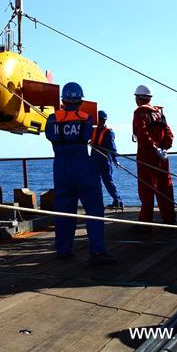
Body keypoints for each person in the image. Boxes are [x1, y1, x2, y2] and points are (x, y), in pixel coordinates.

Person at [45, 82, 115, 264]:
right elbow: (85, 137)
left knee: (64, 212)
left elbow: (50, 136)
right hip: (83, 168)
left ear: (63, 100)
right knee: (94, 210)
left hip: (61, 170)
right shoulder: (86, 119)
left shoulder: (52, 119)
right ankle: (97, 251)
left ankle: (63, 249)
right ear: (80, 100)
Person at [132, 84, 176, 226]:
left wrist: (154, 149)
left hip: (147, 156)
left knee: (146, 189)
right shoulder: (159, 113)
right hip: (162, 157)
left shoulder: (140, 113)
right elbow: (169, 133)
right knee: (165, 187)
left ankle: (146, 223)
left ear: (138, 98)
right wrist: (164, 148)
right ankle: (169, 221)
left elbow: (142, 134)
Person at [90, 110, 123, 210]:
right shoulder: (93, 130)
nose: (100, 121)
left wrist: (115, 159)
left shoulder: (109, 132)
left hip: (104, 160)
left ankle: (118, 201)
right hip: (94, 160)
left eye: (101, 120)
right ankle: (98, 203)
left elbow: (112, 148)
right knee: (95, 183)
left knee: (108, 182)